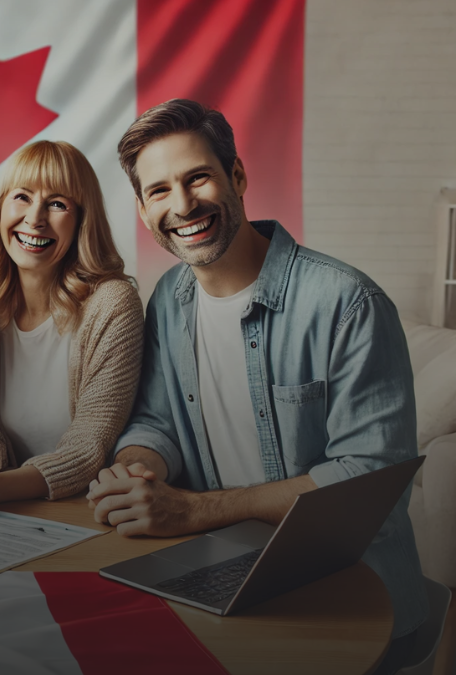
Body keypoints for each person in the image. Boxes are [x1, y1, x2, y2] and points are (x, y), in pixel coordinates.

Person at [87, 98, 427, 672]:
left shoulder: (347, 303)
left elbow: (369, 484)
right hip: (218, 578)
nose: (184, 204)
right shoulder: (169, 299)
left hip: (346, 596)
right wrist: (139, 470)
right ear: (145, 212)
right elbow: (157, 420)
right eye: (160, 190)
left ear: (237, 176)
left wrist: (191, 512)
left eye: (198, 178)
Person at [0, 141, 144, 510]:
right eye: (22, 197)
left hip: (88, 513)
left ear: (81, 221)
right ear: (1, 209)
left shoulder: (112, 304)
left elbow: (90, 443)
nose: (35, 218)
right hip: (6, 515)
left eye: (57, 204)